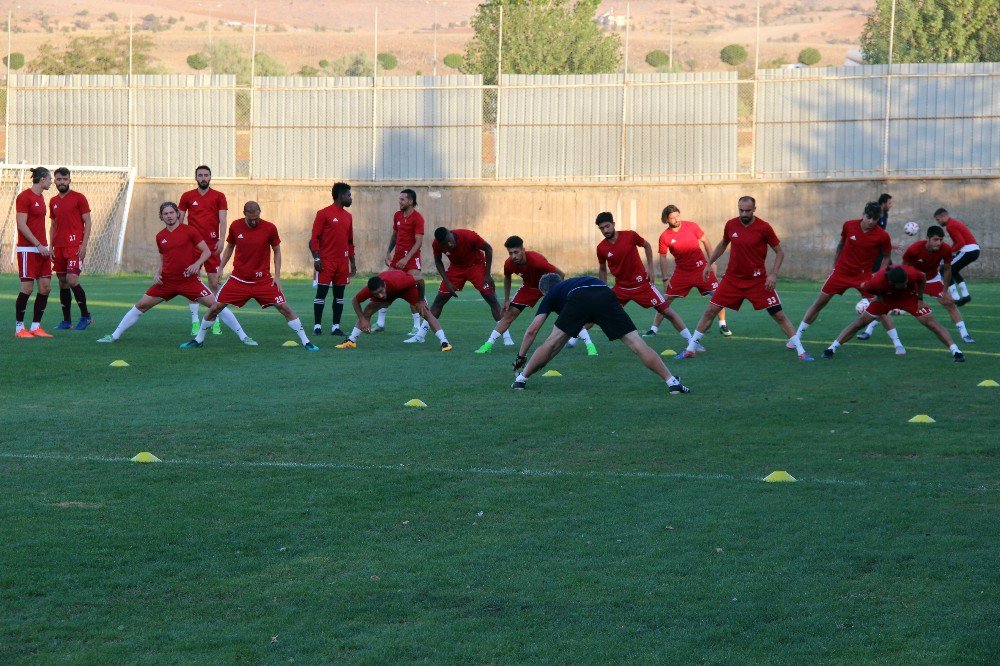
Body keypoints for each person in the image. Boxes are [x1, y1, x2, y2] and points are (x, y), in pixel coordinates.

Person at [678, 196, 813, 361]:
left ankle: (801, 351)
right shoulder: (731, 224)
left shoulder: (764, 227)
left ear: (754, 209)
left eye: (747, 210)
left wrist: (773, 274)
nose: (744, 213)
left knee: (778, 315)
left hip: (758, 281)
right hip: (732, 280)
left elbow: (779, 252)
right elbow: (723, 244)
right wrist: (709, 263)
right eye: (741, 210)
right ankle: (690, 349)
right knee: (710, 311)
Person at [510, 273, 689, 394]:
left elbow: (533, 329)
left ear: (545, 292)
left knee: (551, 342)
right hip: (606, 293)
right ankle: (672, 382)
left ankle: (521, 379)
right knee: (637, 343)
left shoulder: (553, 292)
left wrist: (521, 355)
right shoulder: (576, 282)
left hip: (580, 298)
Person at [97, 202, 248, 344]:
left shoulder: (189, 231)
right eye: (165, 213)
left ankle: (244, 336)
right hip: (167, 282)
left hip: (189, 281)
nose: (169, 216)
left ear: (177, 214)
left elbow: (207, 251)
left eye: (171, 212)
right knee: (141, 305)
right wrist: (157, 273)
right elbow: (163, 258)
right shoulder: (160, 236)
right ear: (161, 217)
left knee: (216, 306)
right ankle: (114, 336)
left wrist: (196, 264)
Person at [181, 201, 318, 350]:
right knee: (215, 307)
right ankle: (198, 340)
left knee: (283, 307)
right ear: (244, 214)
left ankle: (306, 341)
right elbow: (230, 247)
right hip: (239, 279)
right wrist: (220, 268)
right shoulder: (235, 226)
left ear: (260, 212)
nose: (254, 221)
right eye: (250, 218)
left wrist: (277, 276)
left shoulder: (270, 228)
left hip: (263, 280)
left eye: (256, 217)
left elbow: (277, 251)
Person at [794, 201, 900, 351]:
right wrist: (835, 265)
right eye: (869, 217)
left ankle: (897, 344)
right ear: (863, 214)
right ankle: (797, 336)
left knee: (880, 307)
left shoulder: (882, 235)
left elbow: (886, 256)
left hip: (864, 277)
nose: (871, 221)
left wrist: (880, 276)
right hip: (841, 273)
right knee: (820, 303)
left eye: (875, 219)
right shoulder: (849, 225)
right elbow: (841, 244)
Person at [474, 236, 596, 355]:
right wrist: (506, 299)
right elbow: (507, 278)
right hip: (528, 288)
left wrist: (557, 293)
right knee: (509, 314)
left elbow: (561, 274)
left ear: (523, 250)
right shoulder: (509, 264)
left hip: (548, 288)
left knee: (569, 315)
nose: (513, 256)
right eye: (510, 253)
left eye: (516, 252)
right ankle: (488, 345)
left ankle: (590, 346)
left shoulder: (538, 261)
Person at [821, 264, 964, 363]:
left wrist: (920, 299)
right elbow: (865, 287)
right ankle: (831, 348)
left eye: (906, 280)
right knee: (861, 322)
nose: (907, 281)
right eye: (903, 283)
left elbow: (922, 278)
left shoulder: (911, 273)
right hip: (887, 299)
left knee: (930, 322)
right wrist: (879, 296)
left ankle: (956, 351)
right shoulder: (877, 281)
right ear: (891, 282)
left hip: (910, 297)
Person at [592, 211, 690, 346]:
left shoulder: (630, 235)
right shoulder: (601, 248)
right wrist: (603, 289)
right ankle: (573, 338)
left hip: (642, 285)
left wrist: (650, 268)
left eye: (607, 226)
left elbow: (647, 245)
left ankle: (692, 342)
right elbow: (602, 268)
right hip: (621, 288)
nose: (605, 230)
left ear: (613, 224)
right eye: (602, 228)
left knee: (667, 312)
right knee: (599, 310)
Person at [643, 204, 729, 339]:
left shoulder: (692, 226)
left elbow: (706, 242)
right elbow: (663, 258)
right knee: (664, 300)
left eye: (678, 215)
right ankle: (654, 329)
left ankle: (723, 325)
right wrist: (665, 279)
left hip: (701, 269)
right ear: (666, 219)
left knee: (718, 295)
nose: (676, 219)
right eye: (672, 218)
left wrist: (711, 262)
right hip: (682, 273)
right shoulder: (664, 237)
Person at [419, 226, 505, 342]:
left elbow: (488, 249)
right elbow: (438, 261)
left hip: (476, 266)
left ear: (450, 233)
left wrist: (487, 274)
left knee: (491, 298)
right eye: (445, 244)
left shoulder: (468, 236)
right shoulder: (437, 244)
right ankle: (420, 335)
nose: (449, 244)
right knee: (439, 300)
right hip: (457, 268)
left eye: (449, 240)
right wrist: (447, 282)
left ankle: (506, 336)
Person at [336, 271, 452, 350]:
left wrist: (421, 300)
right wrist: (363, 319)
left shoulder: (399, 281)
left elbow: (420, 280)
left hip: (405, 289)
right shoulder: (370, 290)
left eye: (381, 291)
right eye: (376, 294)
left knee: (425, 312)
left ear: (384, 285)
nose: (380, 295)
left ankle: (444, 342)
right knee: (368, 310)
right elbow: (355, 300)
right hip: (390, 293)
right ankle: (351, 341)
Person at [178, 165, 228, 336]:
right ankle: (194, 321)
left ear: (210, 177)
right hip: (193, 246)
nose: (203, 178)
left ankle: (215, 320)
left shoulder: (219, 196)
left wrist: (222, 239)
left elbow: (223, 219)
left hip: (213, 245)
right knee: (193, 283)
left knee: (214, 283)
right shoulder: (187, 196)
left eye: (206, 175)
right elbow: (179, 220)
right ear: (196, 177)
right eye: (200, 175)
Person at [903, 225, 974, 343]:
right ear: (928, 238)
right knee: (892, 302)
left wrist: (945, 290)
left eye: (941, 239)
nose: (939, 242)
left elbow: (947, 269)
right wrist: (906, 285)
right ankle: (869, 329)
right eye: (935, 239)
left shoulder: (945, 249)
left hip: (932, 279)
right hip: (915, 280)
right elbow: (904, 266)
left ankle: (964, 334)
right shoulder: (914, 248)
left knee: (949, 303)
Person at [49, 167, 93, 330]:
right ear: (55, 181)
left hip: (74, 246)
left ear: (69, 180)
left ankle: (86, 316)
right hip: (59, 247)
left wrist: (84, 244)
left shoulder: (79, 198)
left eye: (65, 179)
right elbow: (53, 225)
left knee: (72, 279)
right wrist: (51, 246)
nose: (62, 182)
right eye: (59, 179)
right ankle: (66, 321)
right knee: (62, 282)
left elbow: (87, 222)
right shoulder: (53, 201)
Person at [310, 182, 356, 337]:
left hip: (342, 263)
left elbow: (350, 241)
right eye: (349, 195)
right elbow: (314, 238)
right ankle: (317, 326)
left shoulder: (348, 216)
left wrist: (353, 263)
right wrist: (316, 258)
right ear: (340, 196)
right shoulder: (323, 213)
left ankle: (335, 327)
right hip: (326, 261)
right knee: (321, 293)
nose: (351, 199)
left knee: (339, 295)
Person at [378, 188, 425, 335]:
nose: (400, 202)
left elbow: (419, 242)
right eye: (399, 199)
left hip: (411, 259)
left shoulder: (418, 218)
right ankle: (380, 322)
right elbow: (394, 236)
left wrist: (407, 258)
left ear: (410, 201)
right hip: (397, 258)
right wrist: (387, 253)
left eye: (402, 199)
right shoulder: (397, 216)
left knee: (413, 288)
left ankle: (417, 326)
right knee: (385, 286)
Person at [13, 167, 54, 338]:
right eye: (50, 178)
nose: (52, 181)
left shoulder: (42, 198)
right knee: (27, 288)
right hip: (28, 249)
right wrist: (37, 244)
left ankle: (36, 326)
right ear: (42, 179)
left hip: (42, 249)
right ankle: (19, 328)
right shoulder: (24, 197)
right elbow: (22, 225)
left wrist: (46, 246)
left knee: (45, 288)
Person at [934, 208, 980, 306]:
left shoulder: (950, 226)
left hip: (968, 250)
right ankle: (966, 296)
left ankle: (955, 298)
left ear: (943, 216)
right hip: (973, 250)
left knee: (944, 270)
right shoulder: (953, 223)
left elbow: (961, 243)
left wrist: (948, 252)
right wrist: (950, 252)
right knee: (953, 270)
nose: (938, 222)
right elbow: (957, 242)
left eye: (938, 220)